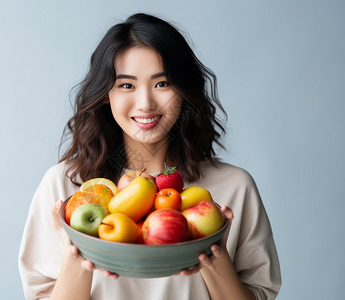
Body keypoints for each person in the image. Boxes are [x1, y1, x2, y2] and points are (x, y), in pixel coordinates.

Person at [18, 13, 281, 300]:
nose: (146, 103)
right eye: (127, 85)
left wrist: (212, 253)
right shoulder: (67, 189)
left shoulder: (234, 189)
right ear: (106, 94)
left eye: (162, 83)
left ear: (182, 90)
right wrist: (77, 253)